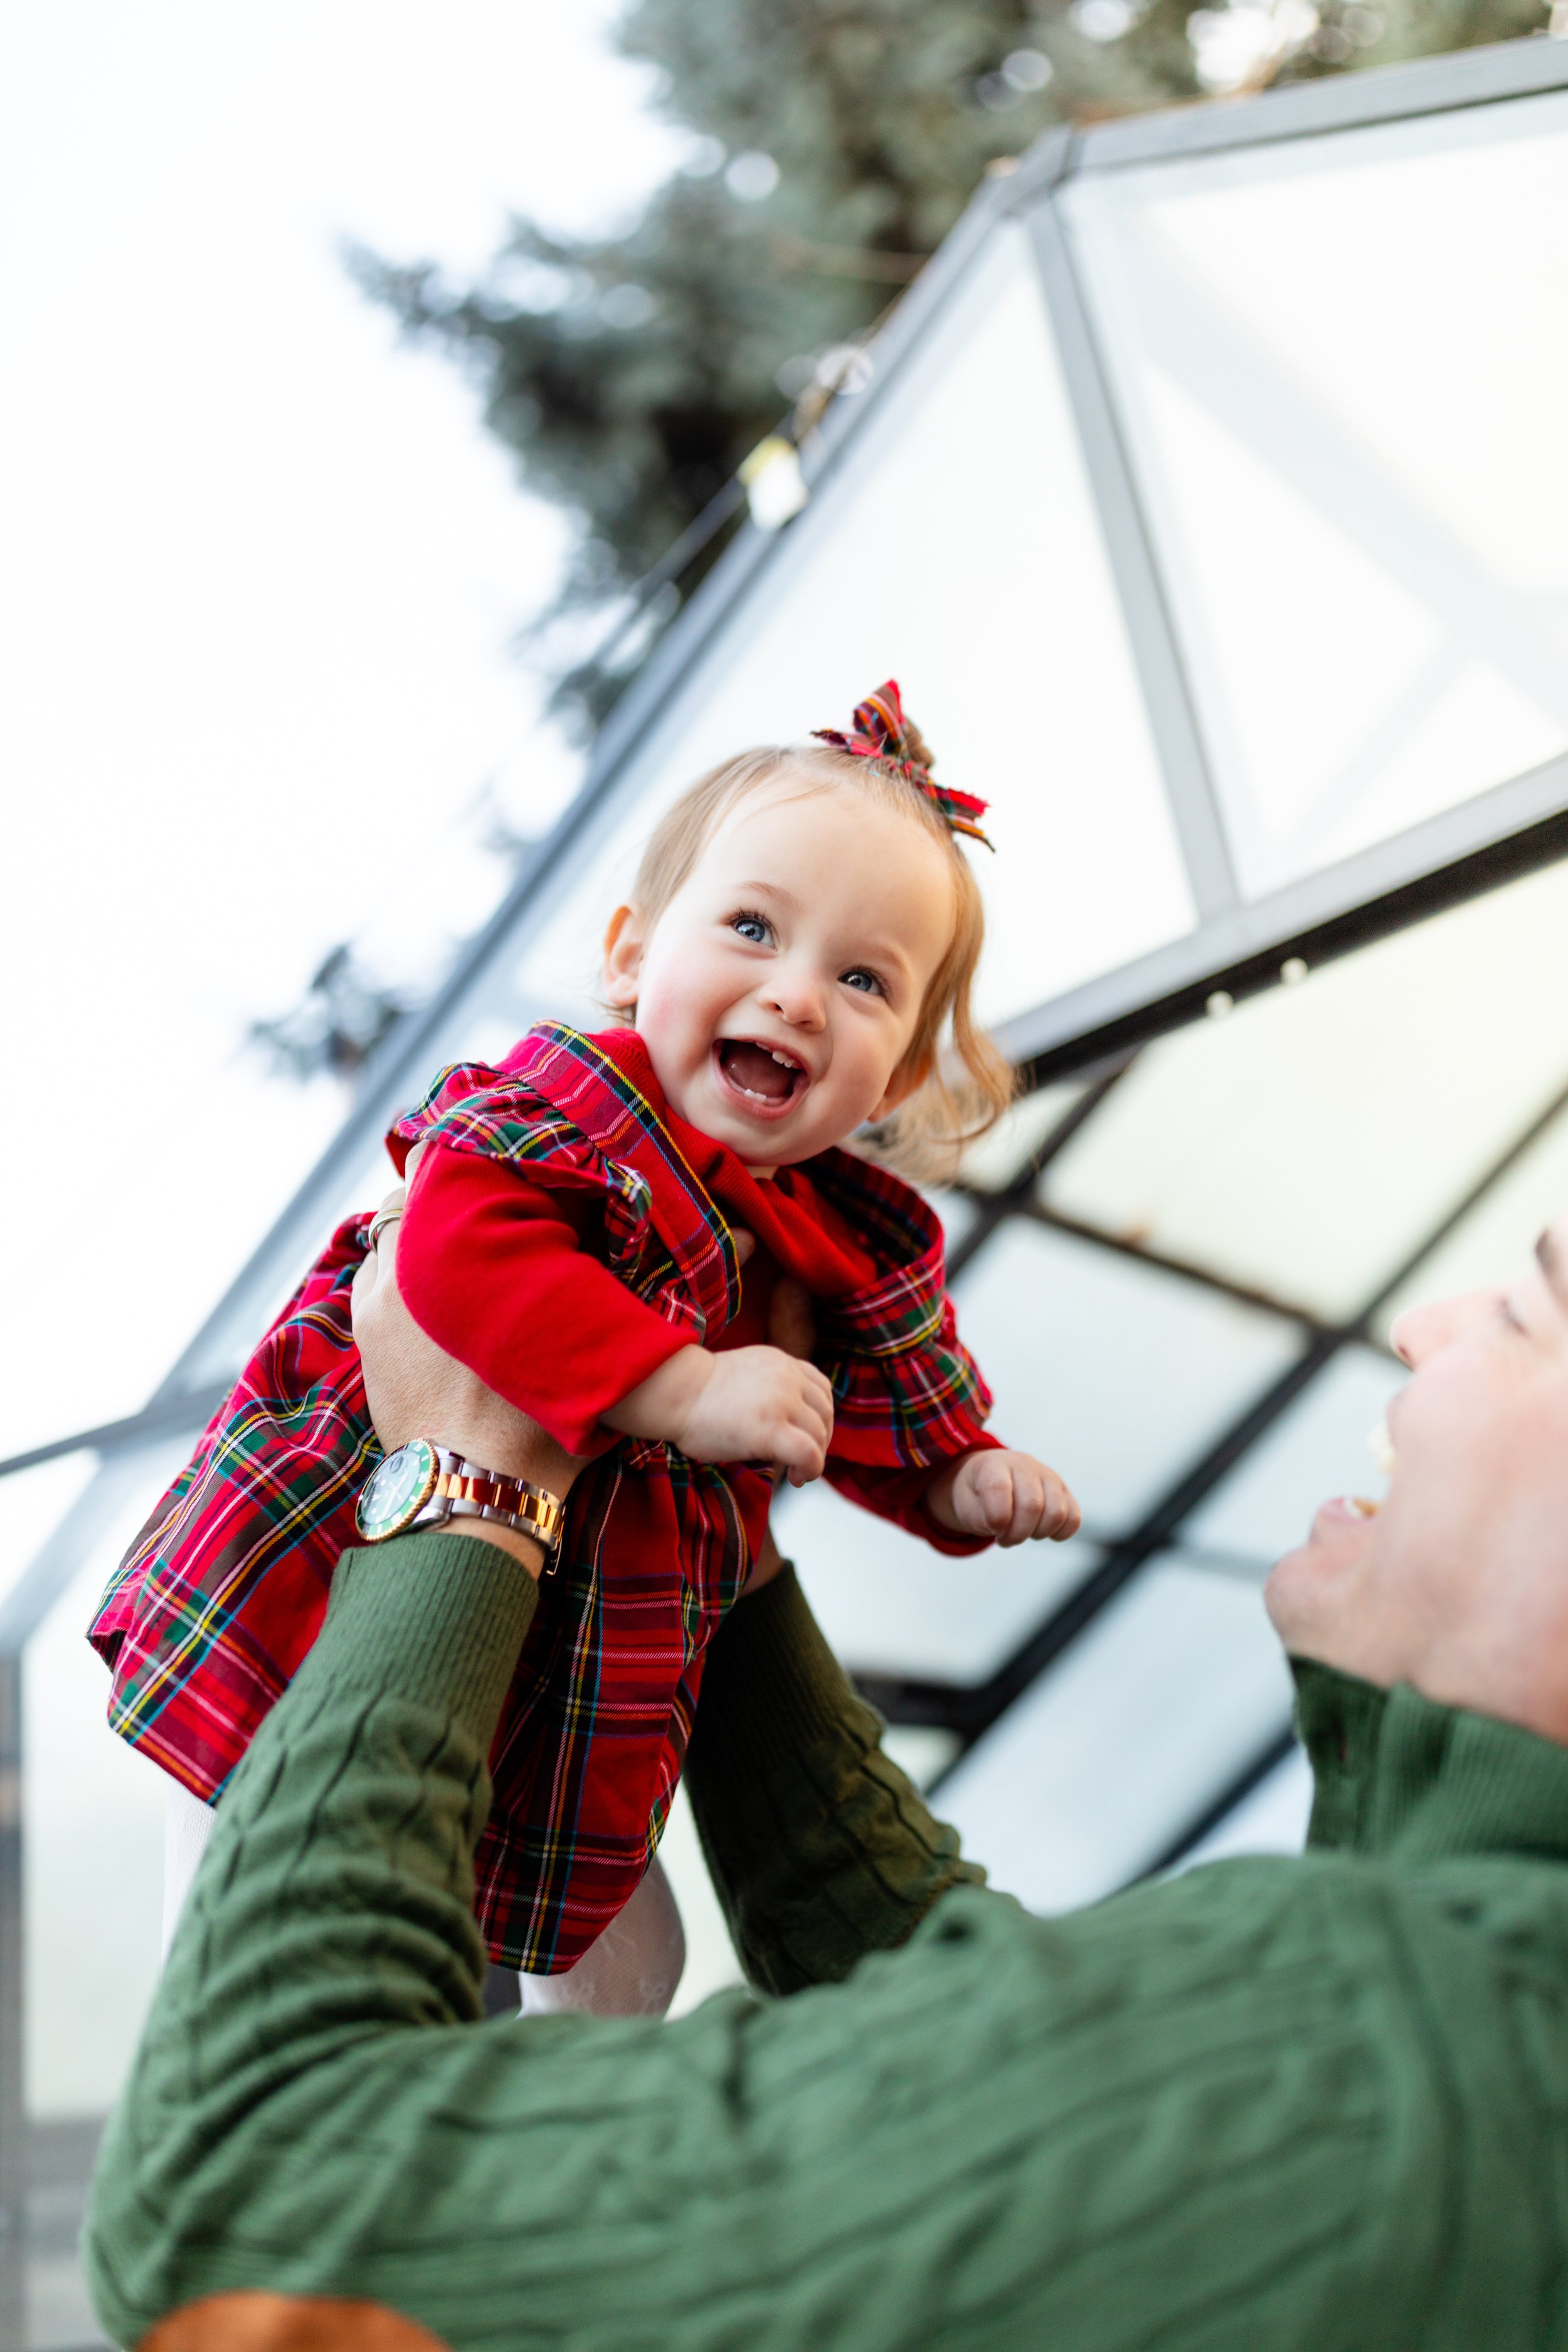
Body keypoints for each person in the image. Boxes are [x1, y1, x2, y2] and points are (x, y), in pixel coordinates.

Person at [86, 1205, 1568, 2350]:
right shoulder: (1448, 2003)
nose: (1429, 1326)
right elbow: (998, 2043)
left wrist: (468, 1477)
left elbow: (242, 2220)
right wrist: (692, 1500)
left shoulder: (1391, 2066)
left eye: (1522, 1310)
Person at [88, 681, 1079, 2006]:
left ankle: (554, 2143)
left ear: (893, 1079)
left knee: (631, 1953)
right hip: (328, 1584)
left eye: (860, 980)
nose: (794, 996)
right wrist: (680, 1384)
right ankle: (212, 2052)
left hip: (558, 1654)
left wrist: (953, 1479)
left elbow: (866, 1402)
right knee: (245, 1873)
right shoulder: (570, 1102)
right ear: (629, 955)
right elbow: (455, 1254)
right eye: (751, 928)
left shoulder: (825, 1232)